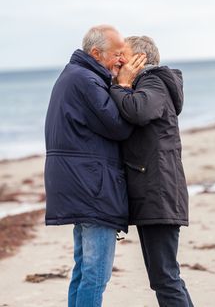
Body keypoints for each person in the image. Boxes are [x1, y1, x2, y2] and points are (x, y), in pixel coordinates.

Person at [44, 25, 145, 307]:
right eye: (117, 55)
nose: (122, 61)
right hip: (92, 187)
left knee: (84, 269)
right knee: (96, 273)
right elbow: (119, 126)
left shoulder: (76, 74)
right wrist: (124, 86)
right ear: (96, 53)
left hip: (80, 182)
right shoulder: (87, 80)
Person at [110, 36, 194, 306]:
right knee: (163, 278)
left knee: (166, 278)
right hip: (155, 190)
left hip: (160, 191)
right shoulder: (149, 83)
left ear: (140, 60)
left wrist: (121, 85)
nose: (119, 60)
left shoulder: (154, 81)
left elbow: (139, 111)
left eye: (124, 55)